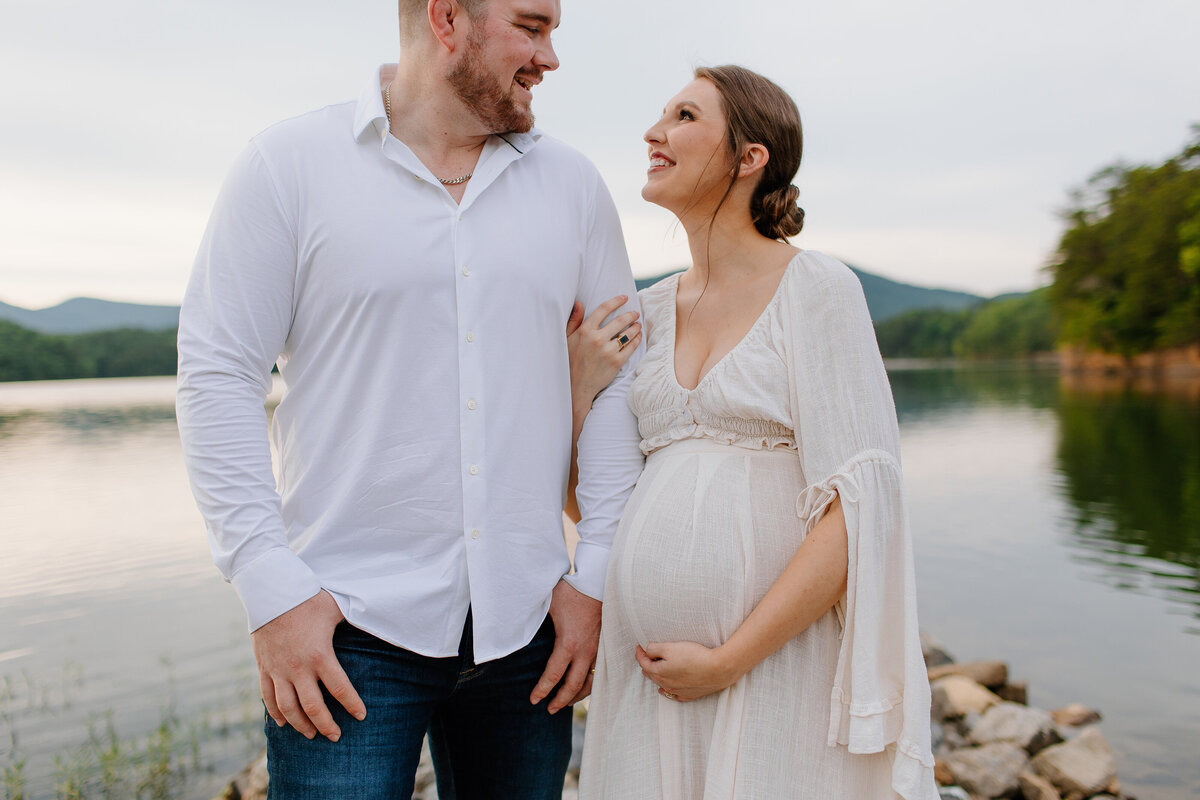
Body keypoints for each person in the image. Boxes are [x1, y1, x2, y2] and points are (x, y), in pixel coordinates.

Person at [174, 0, 645, 797]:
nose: (550, 57)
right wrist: (268, 587)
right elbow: (217, 374)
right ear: (447, 19)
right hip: (342, 632)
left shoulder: (573, 186)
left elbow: (620, 376)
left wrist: (595, 572)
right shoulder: (287, 166)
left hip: (528, 627)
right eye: (532, 28)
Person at [573, 65, 939, 799]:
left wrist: (731, 657)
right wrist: (580, 390)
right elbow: (599, 506)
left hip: (775, 667)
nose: (654, 132)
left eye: (683, 116)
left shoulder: (819, 289)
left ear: (750, 157)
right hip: (649, 677)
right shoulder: (645, 313)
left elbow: (858, 508)